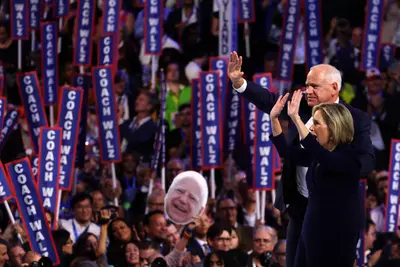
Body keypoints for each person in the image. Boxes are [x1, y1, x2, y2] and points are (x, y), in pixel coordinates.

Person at [227, 51, 374, 267]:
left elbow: (365, 164)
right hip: (301, 208)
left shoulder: (356, 119)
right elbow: (269, 102)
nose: (308, 90)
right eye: (307, 85)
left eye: (315, 86)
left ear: (334, 88)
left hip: (336, 211)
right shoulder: (301, 107)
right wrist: (239, 82)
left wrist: (338, 170)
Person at [270, 92, 363, 266]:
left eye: (317, 123)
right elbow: (287, 152)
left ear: (334, 127)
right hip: (311, 230)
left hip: (336, 236)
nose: (311, 128)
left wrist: (296, 118)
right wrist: (274, 118)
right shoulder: (316, 157)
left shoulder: (349, 158)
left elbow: (318, 152)